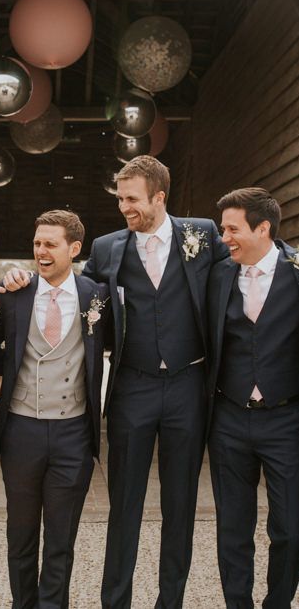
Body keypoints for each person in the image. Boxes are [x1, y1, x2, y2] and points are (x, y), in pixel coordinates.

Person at [80, 155, 228, 608]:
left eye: (133, 199)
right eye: (120, 197)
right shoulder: (107, 248)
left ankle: (171, 602)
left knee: (180, 506)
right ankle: (116, 601)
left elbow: (245, 271)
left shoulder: (202, 234)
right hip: (132, 387)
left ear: (160, 197)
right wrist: (23, 283)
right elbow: (79, 294)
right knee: (123, 505)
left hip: (188, 384)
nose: (124, 206)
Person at [0, 210, 109, 609]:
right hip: (22, 431)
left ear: (74, 249)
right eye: (37, 243)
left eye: (50, 244)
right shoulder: (14, 295)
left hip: (72, 433)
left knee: (61, 540)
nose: (40, 252)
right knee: (20, 536)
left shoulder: (97, 296)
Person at [207, 187, 299, 608]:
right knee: (233, 527)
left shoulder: (297, 272)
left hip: (286, 419)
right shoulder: (218, 274)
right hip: (229, 417)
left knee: (291, 527)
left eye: (232, 228)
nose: (223, 237)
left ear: (263, 228)